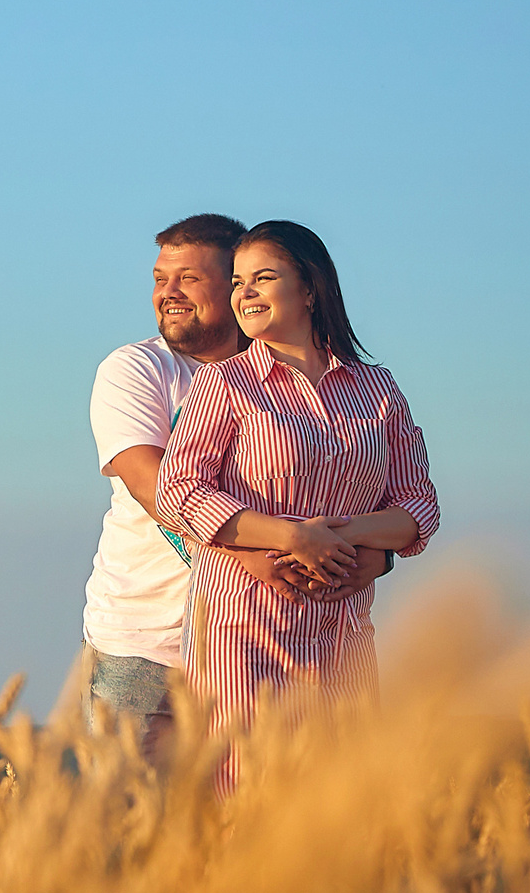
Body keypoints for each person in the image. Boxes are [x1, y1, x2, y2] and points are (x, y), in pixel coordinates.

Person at [84, 215, 387, 757]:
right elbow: (159, 490)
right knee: (135, 830)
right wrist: (248, 553)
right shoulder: (137, 369)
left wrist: (375, 557)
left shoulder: (303, 379)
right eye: (160, 279)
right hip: (146, 644)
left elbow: (358, 491)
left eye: (189, 280)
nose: (168, 294)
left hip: (277, 640)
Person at [156, 220, 441, 775]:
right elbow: (179, 491)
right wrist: (290, 537)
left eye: (264, 277)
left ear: (311, 289)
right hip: (245, 632)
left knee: (338, 814)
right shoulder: (225, 382)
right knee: (245, 800)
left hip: (344, 634)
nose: (245, 294)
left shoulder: (377, 389)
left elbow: (419, 506)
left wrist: (349, 541)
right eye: (238, 282)